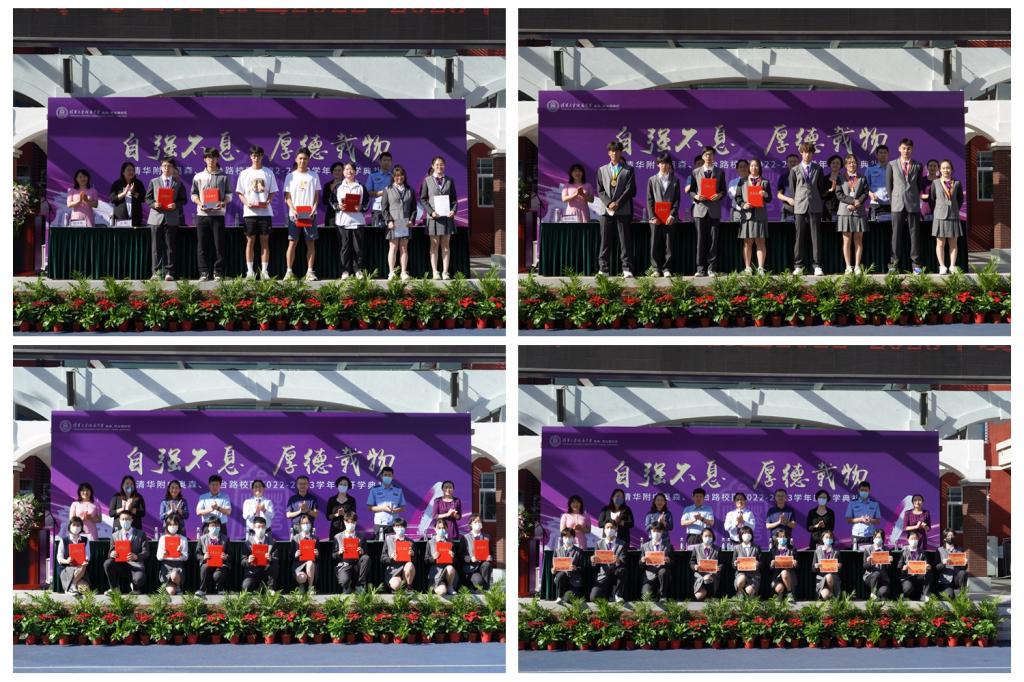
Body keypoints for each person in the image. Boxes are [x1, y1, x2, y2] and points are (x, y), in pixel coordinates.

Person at [236, 145, 278, 280]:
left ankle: (264, 271)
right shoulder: (244, 173)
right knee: (250, 241)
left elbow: (272, 191)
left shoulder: (268, 172)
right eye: (254, 155)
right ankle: (250, 271)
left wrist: (268, 202)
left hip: (265, 213)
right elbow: (240, 193)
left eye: (258, 155)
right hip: (250, 213)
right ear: (250, 157)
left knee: (265, 241)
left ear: (262, 156)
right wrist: (246, 203)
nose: (256, 158)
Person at [595, 141, 637, 277]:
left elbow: (629, 189)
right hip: (606, 210)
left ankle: (627, 268)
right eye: (612, 151)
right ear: (609, 153)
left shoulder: (628, 170)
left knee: (625, 241)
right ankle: (603, 269)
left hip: (623, 210)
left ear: (621, 152)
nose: (615, 153)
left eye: (617, 151)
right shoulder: (602, 170)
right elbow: (600, 190)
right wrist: (609, 203)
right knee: (605, 241)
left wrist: (618, 203)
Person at [886, 137, 927, 273]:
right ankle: (894, 264)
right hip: (897, 204)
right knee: (896, 235)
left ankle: (916, 265)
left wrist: (914, 197)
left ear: (912, 150)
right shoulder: (892, 164)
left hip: (913, 204)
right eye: (904, 148)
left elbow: (919, 185)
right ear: (899, 149)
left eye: (908, 149)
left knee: (914, 235)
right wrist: (893, 202)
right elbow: (889, 186)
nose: (906, 151)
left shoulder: (918, 165)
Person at [190, 147, 230, 281]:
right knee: (202, 245)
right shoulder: (198, 176)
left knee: (219, 244)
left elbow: (229, 195)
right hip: (202, 215)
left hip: (218, 215)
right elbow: (193, 194)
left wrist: (223, 203)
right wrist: (199, 203)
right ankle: (203, 272)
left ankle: (218, 272)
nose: (211, 160)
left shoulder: (224, 176)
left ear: (217, 159)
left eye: (213, 157)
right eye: (208, 157)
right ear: (204, 159)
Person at [787, 142, 827, 276]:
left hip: (815, 206)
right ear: (801, 153)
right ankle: (798, 265)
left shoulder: (818, 169)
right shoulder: (794, 170)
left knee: (816, 237)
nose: (807, 155)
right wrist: (799, 199)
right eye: (804, 152)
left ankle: (817, 266)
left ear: (813, 154)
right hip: (800, 207)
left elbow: (820, 187)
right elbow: (793, 189)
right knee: (799, 237)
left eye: (809, 152)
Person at [686, 146, 726, 277]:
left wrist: (719, 195)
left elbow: (723, 190)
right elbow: (691, 191)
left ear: (714, 156)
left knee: (713, 240)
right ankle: (700, 269)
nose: (709, 157)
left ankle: (711, 268)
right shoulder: (695, 172)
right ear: (703, 157)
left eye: (711, 154)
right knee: (701, 240)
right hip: (700, 210)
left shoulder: (720, 172)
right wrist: (696, 196)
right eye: (706, 155)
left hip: (714, 210)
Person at [283, 146, 321, 281]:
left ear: (308, 160)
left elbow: (316, 195)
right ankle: (289, 272)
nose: (302, 161)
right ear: (296, 159)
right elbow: (287, 196)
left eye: (305, 159)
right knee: (292, 242)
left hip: (310, 214)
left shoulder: (314, 175)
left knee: (310, 242)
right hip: (294, 215)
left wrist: (314, 208)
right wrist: (293, 209)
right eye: (300, 158)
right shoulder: (290, 176)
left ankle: (310, 271)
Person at [145, 157, 186, 281]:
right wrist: (154, 204)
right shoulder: (154, 181)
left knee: (170, 247)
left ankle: (169, 272)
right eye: (164, 166)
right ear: (161, 168)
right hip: (156, 218)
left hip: (171, 218)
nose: (167, 168)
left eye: (169, 166)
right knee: (156, 247)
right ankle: (156, 273)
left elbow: (183, 200)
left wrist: (176, 205)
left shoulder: (178, 183)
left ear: (173, 169)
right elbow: (147, 198)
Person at [420, 155, 458, 280]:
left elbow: (454, 200)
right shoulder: (427, 180)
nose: (439, 166)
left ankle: (445, 272)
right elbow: (423, 199)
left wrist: (453, 210)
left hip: (447, 217)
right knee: (434, 245)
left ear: (444, 166)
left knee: (446, 246)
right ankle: (435, 271)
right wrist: (431, 212)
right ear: (432, 166)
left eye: (441, 164)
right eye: (437, 164)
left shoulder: (450, 180)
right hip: (434, 218)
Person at [646, 152, 680, 277]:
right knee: (655, 243)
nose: (664, 166)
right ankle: (656, 268)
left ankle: (667, 269)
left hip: (669, 218)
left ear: (670, 165)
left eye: (666, 163)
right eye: (661, 163)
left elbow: (677, 200)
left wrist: (672, 215)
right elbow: (649, 200)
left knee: (668, 244)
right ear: (658, 165)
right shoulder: (652, 180)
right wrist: (652, 216)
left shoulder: (675, 180)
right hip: (656, 218)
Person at [381, 165, 417, 281]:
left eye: (401, 175)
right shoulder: (387, 189)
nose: (399, 177)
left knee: (404, 247)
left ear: (404, 176)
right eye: (397, 176)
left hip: (405, 223)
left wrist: (411, 220)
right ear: (393, 177)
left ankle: (403, 272)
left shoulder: (410, 190)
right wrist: (389, 221)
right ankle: (391, 272)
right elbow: (384, 208)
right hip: (393, 223)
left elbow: (414, 208)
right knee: (393, 247)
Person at [929, 160, 965, 275]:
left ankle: (952, 266)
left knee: (953, 244)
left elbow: (960, 199)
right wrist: (939, 209)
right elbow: (932, 199)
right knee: (940, 243)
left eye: (948, 168)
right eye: (943, 168)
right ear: (940, 170)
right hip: (940, 216)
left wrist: (954, 208)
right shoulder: (935, 183)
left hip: (953, 216)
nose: (946, 170)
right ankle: (942, 266)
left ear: (952, 169)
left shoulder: (957, 183)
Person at [837, 154, 870, 273]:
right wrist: (852, 201)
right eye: (849, 162)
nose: (852, 164)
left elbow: (865, 193)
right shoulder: (840, 178)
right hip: (844, 211)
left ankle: (857, 266)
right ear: (846, 165)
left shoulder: (862, 177)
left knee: (858, 239)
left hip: (859, 211)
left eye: (854, 162)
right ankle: (848, 266)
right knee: (846, 240)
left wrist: (858, 202)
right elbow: (839, 194)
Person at [737, 159, 771, 274]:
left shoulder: (765, 182)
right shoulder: (742, 181)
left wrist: (765, 194)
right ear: (749, 168)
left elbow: (769, 199)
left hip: (760, 215)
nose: (754, 168)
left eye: (756, 166)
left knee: (760, 242)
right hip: (747, 215)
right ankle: (747, 268)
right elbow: (738, 198)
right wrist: (743, 204)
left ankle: (761, 267)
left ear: (759, 167)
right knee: (747, 242)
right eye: (751, 166)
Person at [103, 509, 149, 595]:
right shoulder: (114, 535)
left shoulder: (141, 534)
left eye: (127, 519)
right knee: (108, 563)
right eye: (123, 519)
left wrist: (136, 556)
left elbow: (146, 552)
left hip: (135, 565)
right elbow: (110, 553)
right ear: (119, 520)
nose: (125, 521)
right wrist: (112, 554)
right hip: (120, 565)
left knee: (139, 579)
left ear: (132, 520)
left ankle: (135, 588)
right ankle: (114, 588)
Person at [335, 161, 367, 280]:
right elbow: (332, 201)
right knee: (344, 248)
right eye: (347, 169)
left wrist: (361, 207)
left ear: (355, 172)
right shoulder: (338, 187)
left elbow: (367, 202)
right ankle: (345, 271)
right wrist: (338, 206)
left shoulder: (361, 186)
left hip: (357, 221)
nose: (349, 171)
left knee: (358, 248)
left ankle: (358, 270)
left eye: (351, 169)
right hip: (342, 222)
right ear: (343, 172)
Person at [589, 520, 626, 602]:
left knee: (622, 570)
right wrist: (593, 561)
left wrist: (618, 560)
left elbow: (623, 561)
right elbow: (595, 565)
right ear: (604, 529)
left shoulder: (622, 543)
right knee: (593, 597)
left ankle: (617, 595)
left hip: (616, 574)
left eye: (612, 527)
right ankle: (606, 597)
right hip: (603, 574)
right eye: (607, 527)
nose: (610, 529)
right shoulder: (599, 543)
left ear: (616, 528)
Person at [367, 466, 406, 540]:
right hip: (380, 524)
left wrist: (395, 510)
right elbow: (369, 507)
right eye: (385, 475)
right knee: (379, 545)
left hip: (394, 524)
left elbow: (403, 508)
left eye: (389, 475)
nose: (387, 477)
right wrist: (383, 508)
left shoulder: (398, 490)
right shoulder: (375, 490)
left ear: (392, 476)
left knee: (393, 545)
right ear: (381, 476)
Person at [637, 521, 673, 600]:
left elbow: (673, 563)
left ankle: (663, 596)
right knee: (646, 597)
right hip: (650, 574)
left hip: (663, 574)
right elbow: (640, 565)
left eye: (658, 531)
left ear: (662, 532)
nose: (656, 533)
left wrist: (668, 560)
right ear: (651, 531)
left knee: (663, 571)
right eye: (654, 531)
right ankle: (654, 595)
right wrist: (642, 561)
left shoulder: (668, 546)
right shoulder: (645, 546)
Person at [241, 515, 278, 592]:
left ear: (266, 528)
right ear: (254, 528)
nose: (261, 529)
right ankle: (257, 587)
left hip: (267, 571)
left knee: (273, 567)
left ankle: (270, 588)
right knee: (246, 586)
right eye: (258, 527)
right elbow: (242, 561)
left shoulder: (272, 542)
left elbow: (276, 559)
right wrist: (248, 560)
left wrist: (270, 558)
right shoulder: (247, 543)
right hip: (253, 571)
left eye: (263, 527)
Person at [56, 516, 91, 595]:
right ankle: (72, 587)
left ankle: (71, 586)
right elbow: (59, 558)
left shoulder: (85, 540)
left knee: (85, 589)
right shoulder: (63, 540)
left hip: (81, 568)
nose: (76, 527)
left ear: (81, 527)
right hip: (67, 568)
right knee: (82, 588)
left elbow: (88, 555)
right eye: (74, 525)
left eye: (78, 525)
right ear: (69, 526)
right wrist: (66, 561)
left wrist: (85, 560)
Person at [196, 517, 230, 597]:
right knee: (204, 567)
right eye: (212, 525)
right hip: (207, 562)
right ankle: (202, 589)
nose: (215, 527)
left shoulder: (225, 539)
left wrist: (226, 556)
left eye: (217, 525)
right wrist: (203, 557)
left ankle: (220, 589)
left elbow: (230, 554)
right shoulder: (202, 538)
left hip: (221, 564)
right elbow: (197, 554)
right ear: (208, 527)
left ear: (220, 527)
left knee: (218, 574)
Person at [155, 514, 188, 596]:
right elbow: (158, 557)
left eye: (175, 524)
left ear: (178, 526)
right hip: (166, 566)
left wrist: (180, 553)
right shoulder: (163, 538)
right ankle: (172, 587)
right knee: (171, 592)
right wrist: (163, 554)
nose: (172, 527)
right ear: (167, 526)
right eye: (170, 525)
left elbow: (186, 557)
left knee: (174, 575)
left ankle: (179, 586)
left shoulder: (183, 539)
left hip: (178, 566)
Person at [425, 515, 457, 596]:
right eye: (439, 528)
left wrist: (453, 556)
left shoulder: (450, 542)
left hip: (448, 574)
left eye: (443, 528)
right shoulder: (430, 542)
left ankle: (450, 586)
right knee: (442, 591)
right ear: (435, 529)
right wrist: (433, 558)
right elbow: (426, 560)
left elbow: (456, 561)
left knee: (450, 568)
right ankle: (435, 587)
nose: (441, 530)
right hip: (436, 574)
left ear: (446, 529)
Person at [382, 517, 416, 592]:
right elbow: (383, 558)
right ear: (393, 527)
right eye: (397, 526)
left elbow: (416, 560)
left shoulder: (410, 542)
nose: (400, 529)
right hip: (393, 570)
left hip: (406, 569)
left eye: (402, 527)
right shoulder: (388, 539)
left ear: (405, 528)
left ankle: (408, 587)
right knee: (396, 585)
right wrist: (391, 558)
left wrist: (412, 554)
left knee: (410, 565)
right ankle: (398, 586)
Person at [845, 481, 881, 550]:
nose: (864, 492)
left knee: (869, 555)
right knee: (856, 555)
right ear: (858, 490)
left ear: (869, 491)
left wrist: (870, 520)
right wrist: (860, 519)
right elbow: (848, 520)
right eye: (862, 490)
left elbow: (878, 521)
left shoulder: (874, 504)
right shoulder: (852, 503)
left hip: (870, 535)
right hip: (857, 535)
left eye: (866, 490)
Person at [551, 527, 584, 604]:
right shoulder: (557, 551)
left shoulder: (579, 551)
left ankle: (566, 596)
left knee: (568, 599)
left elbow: (582, 568)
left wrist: (575, 568)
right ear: (562, 538)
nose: (567, 539)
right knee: (561, 575)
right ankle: (559, 596)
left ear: (573, 538)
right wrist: (553, 570)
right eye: (565, 537)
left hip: (574, 581)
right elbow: (553, 567)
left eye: (570, 537)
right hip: (562, 580)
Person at [461, 514, 493, 591]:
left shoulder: (487, 537)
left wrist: (490, 557)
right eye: (475, 522)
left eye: (479, 521)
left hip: (483, 566)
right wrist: (468, 558)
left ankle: (485, 590)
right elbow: (461, 554)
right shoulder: (465, 537)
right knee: (479, 581)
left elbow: (491, 552)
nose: (478, 523)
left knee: (487, 564)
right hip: (471, 567)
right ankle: (472, 585)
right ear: (470, 524)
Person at [898, 530, 932, 600]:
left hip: (919, 576)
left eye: (915, 538)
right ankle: (906, 596)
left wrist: (928, 567)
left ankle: (925, 596)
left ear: (918, 540)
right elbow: (899, 566)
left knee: (929, 574)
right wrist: (903, 568)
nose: (914, 540)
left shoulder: (922, 552)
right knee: (907, 589)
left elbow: (928, 565)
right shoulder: (903, 552)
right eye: (912, 538)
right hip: (907, 577)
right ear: (908, 540)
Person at [109, 162, 145, 227]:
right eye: (128, 170)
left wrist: (133, 192)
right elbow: (112, 199)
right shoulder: (117, 184)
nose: (131, 172)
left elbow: (143, 198)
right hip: (120, 218)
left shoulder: (138, 183)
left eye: (132, 170)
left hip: (136, 218)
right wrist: (124, 193)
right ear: (123, 172)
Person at [689, 527, 721, 601]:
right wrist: (695, 566)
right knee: (699, 596)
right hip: (700, 575)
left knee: (707, 578)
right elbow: (692, 562)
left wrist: (719, 567)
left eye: (710, 536)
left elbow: (721, 563)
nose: (708, 538)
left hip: (712, 575)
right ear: (701, 536)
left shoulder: (717, 549)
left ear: (713, 537)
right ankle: (705, 594)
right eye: (706, 536)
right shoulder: (696, 548)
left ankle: (711, 596)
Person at [290, 512, 319, 594]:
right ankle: (301, 585)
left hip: (311, 565)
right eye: (303, 523)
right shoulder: (295, 538)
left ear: (311, 524)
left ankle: (310, 587)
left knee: (310, 563)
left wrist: (317, 554)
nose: (306, 525)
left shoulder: (315, 538)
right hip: (298, 564)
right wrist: (295, 555)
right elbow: (290, 556)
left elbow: (319, 558)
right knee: (301, 577)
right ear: (300, 525)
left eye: (308, 523)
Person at [196, 474, 232, 538]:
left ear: (220, 485)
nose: (214, 487)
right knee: (206, 544)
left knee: (222, 544)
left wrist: (217, 508)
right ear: (209, 485)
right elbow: (198, 512)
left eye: (217, 485)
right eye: (212, 485)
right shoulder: (203, 497)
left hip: (221, 526)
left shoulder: (225, 497)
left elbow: (228, 512)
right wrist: (211, 509)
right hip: (207, 526)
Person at [935, 529, 968, 597]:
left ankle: (962, 594)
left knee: (963, 572)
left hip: (956, 578)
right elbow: (936, 568)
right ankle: (944, 592)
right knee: (950, 596)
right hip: (945, 580)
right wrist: (943, 563)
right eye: (948, 536)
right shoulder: (939, 550)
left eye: (952, 535)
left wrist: (965, 564)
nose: (951, 537)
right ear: (945, 538)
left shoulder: (960, 549)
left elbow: (963, 568)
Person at [366, 151, 394, 229]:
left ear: (391, 162)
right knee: (377, 232)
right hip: (377, 209)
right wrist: (381, 193)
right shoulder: (372, 176)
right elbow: (367, 192)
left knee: (390, 232)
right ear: (380, 161)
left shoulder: (394, 177)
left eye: (388, 160)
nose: (386, 162)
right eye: (384, 160)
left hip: (391, 209)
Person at [862, 528, 893, 600]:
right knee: (876, 573)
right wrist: (869, 561)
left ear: (883, 539)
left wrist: (890, 562)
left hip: (883, 578)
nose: (878, 539)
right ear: (873, 537)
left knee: (883, 593)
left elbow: (889, 569)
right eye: (877, 537)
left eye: (880, 537)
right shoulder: (868, 550)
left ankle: (878, 595)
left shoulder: (887, 550)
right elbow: (865, 566)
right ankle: (873, 593)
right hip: (871, 577)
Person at [769, 527, 797, 601]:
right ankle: (781, 595)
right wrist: (772, 564)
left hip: (789, 575)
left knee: (784, 572)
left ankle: (789, 593)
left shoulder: (792, 550)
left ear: (787, 538)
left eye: (784, 537)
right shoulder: (773, 550)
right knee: (779, 588)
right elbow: (769, 569)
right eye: (780, 537)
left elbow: (797, 567)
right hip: (777, 576)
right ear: (776, 538)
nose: (782, 538)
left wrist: (795, 563)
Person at [732, 525, 761, 598]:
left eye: (748, 533)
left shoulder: (756, 548)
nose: (747, 535)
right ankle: (740, 593)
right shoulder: (736, 548)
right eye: (744, 533)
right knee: (741, 579)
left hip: (753, 575)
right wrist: (735, 564)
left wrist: (758, 563)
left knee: (750, 591)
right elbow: (733, 565)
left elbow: (762, 563)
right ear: (740, 535)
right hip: (741, 573)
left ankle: (749, 597)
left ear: (751, 535)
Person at [865, 144, 892, 222]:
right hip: (875, 204)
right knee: (875, 228)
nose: (883, 155)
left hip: (891, 204)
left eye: (885, 153)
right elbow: (865, 187)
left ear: (888, 154)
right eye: (881, 153)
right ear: (876, 154)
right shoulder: (870, 169)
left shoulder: (893, 169)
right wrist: (870, 194)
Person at [812, 530, 841, 600]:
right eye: (826, 537)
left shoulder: (837, 552)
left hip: (833, 578)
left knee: (829, 576)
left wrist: (840, 566)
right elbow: (813, 569)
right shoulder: (817, 551)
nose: (828, 539)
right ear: (822, 539)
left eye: (830, 537)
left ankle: (832, 595)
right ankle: (832, 598)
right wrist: (816, 566)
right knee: (825, 595)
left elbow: (841, 568)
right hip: (821, 578)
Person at [776, 153, 800, 223]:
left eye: (794, 161)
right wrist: (788, 199)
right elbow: (779, 195)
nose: (792, 164)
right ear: (787, 163)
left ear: (798, 163)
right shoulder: (783, 177)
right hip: (787, 210)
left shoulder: (803, 176)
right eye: (790, 162)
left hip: (801, 210)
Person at [821, 155, 844, 221]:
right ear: (830, 164)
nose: (835, 165)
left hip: (841, 210)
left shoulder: (844, 179)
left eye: (837, 163)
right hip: (827, 210)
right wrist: (830, 190)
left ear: (840, 165)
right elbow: (821, 195)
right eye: (833, 163)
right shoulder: (824, 179)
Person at [727, 159, 750, 223]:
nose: (743, 168)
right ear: (737, 169)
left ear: (748, 168)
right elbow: (732, 196)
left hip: (750, 212)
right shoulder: (733, 182)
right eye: (740, 167)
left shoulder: (753, 181)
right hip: (737, 212)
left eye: (745, 166)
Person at [322, 162, 344, 228]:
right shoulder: (328, 185)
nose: (337, 172)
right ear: (332, 172)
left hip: (344, 214)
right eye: (335, 170)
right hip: (331, 215)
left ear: (343, 172)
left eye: (339, 170)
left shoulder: (347, 184)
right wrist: (331, 191)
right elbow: (324, 201)